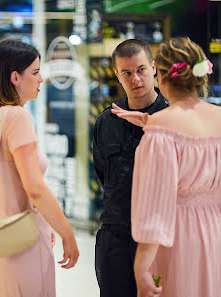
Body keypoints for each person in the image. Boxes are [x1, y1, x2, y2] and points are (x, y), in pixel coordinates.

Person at [113, 37, 220, 297]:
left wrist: (141, 265)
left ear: (161, 76)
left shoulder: (161, 131)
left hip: (179, 237)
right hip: (215, 233)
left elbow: (155, 206)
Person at [0, 39, 79, 297]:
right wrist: (65, 231)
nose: (41, 79)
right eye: (35, 72)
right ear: (15, 77)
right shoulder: (17, 116)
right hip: (24, 247)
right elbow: (34, 187)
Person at [92, 39, 167, 297]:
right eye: (127, 73)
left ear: (154, 68)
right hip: (115, 239)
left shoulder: (171, 118)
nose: (135, 79)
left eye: (141, 70)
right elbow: (103, 175)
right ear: (117, 75)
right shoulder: (105, 122)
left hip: (160, 239)